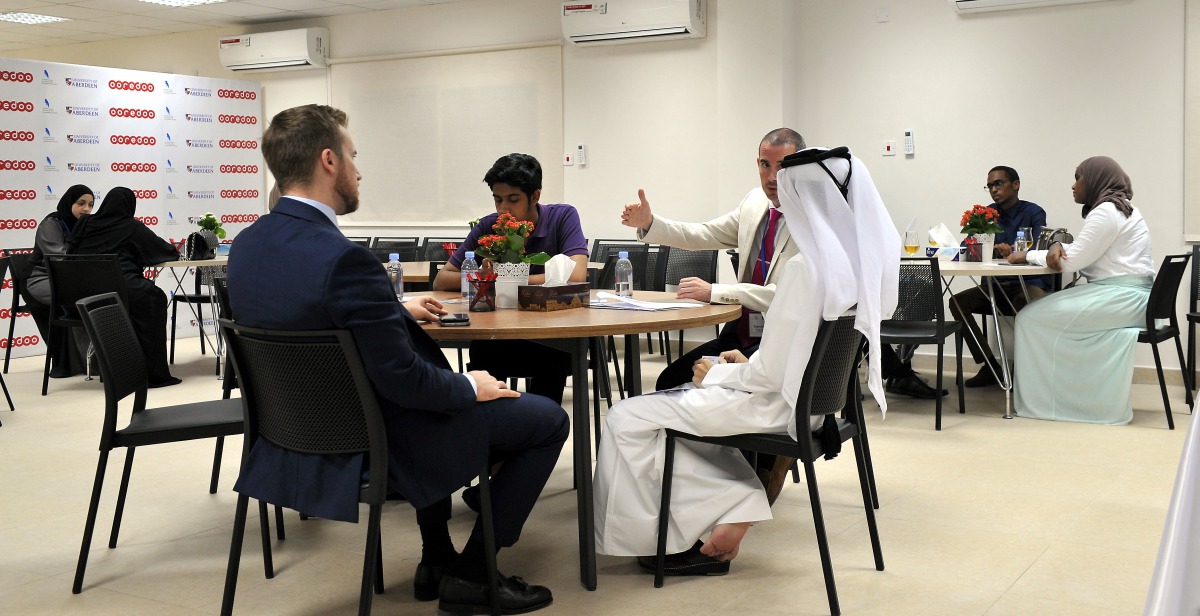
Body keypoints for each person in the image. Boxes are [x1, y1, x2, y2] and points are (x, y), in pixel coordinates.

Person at [226, 105, 567, 614]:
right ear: (328, 161)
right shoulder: (345, 259)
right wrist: (473, 386)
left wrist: (390, 305)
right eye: (352, 156)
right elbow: (407, 384)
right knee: (546, 419)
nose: (358, 170)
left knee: (432, 392)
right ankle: (472, 576)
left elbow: (312, 312)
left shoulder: (248, 245)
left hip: (293, 435)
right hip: (372, 438)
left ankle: (435, 555)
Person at [594, 146, 898, 576]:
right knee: (675, 408)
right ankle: (731, 505)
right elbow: (793, 354)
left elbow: (769, 373)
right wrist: (737, 364)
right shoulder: (856, 262)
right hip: (813, 403)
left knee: (627, 417)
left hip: (777, 405)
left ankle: (690, 531)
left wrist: (720, 371)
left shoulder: (803, 270)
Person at [620, 128, 803, 391]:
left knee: (704, 389)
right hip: (740, 335)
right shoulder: (754, 203)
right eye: (765, 165)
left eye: (782, 166)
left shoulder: (811, 221)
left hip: (779, 348)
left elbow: (785, 295)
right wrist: (650, 223)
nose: (772, 177)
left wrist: (714, 291)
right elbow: (704, 233)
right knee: (669, 380)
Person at [433, 153, 589, 405]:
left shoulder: (562, 217)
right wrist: (482, 276)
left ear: (535, 196)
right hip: (497, 338)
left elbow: (576, 274)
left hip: (552, 338)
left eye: (513, 200)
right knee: (483, 356)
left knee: (548, 390)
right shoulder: (489, 226)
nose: (503, 209)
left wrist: (504, 280)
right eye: (497, 200)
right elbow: (442, 280)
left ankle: (543, 427)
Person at [1007, 156, 1153, 425]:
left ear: (1096, 180)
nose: (1073, 186)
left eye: (1078, 178)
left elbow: (1070, 261)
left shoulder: (1107, 211)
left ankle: (1050, 401)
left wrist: (1028, 256)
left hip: (1120, 297)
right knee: (1039, 313)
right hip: (1132, 296)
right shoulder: (1124, 208)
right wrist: (1052, 250)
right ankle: (1070, 396)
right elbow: (1078, 252)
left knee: (1028, 317)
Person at [67, 187, 181, 387]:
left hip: (81, 294)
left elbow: (71, 254)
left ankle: (126, 367)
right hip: (120, 291)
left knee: (144, 297)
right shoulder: (131, 226)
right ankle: (151, 374)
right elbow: (166, 251)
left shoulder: (84, 223)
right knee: (154, 299)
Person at [950, 166, 1052, 387]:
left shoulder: (1033, 212)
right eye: (990, 186)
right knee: (957, 302)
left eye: (999, 184)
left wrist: (1017, 251)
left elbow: (1039, 248)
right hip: (995, 285)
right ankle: (990, 365)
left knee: (1026, 302)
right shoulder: (986, 214)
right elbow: (965, 247)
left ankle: (1027, 369)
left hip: (1026, 284)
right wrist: (992, 246)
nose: (993, 190)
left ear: (1015, 185)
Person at [23, 184, 94, 377]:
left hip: (69, 278)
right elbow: (60, 259)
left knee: (92, 295)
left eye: (90, 205)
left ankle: (88, 361)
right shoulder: (51, 223)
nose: (86, 209)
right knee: (78, 298)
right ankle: (79, 362)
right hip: (40, 279)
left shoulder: (84, 226)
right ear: (69, 202)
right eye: (81, 203)